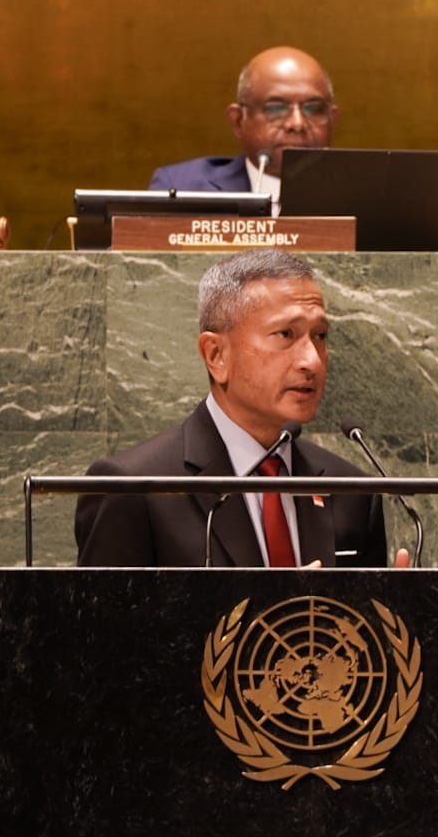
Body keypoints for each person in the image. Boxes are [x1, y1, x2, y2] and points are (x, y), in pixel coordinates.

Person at [75, 248, 404, 568]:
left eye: (320, 335)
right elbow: (105, 624)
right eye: (285, 334)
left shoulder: (352, 490)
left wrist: (398, 611)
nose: (312, 361)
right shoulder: (134, 488)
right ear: (216, 355)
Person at [148, 47, 339, 213]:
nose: (297, 124)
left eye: (313, 108)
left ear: (332, 120)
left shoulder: (363, 193)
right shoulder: (183, 187)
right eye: (275, 108)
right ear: (238, 121)